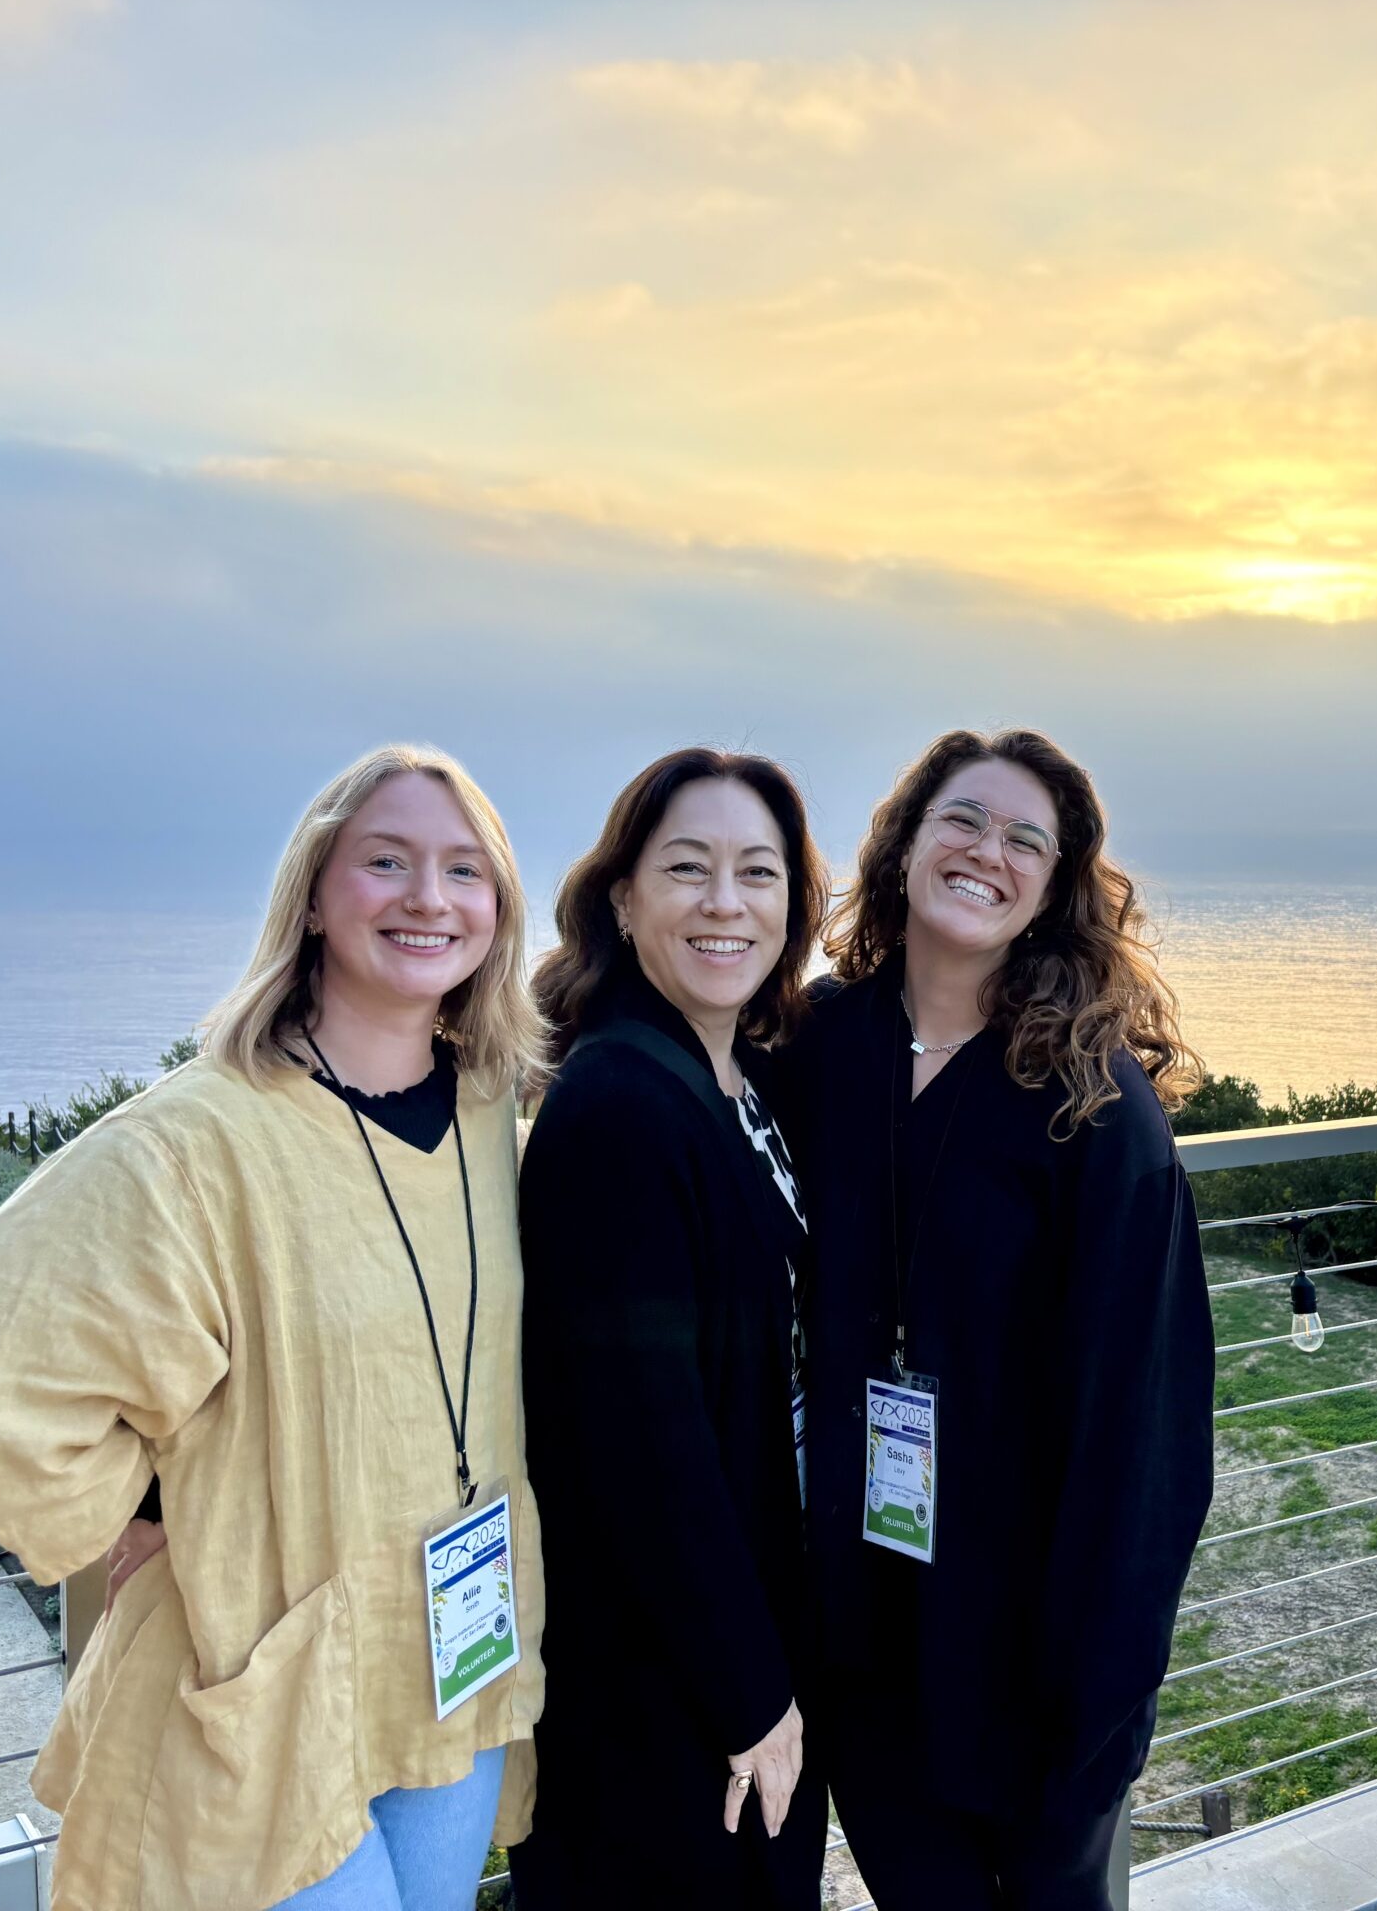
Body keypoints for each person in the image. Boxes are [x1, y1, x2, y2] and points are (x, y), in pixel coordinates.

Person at [0, 745, 548, 1911]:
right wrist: (136, 1505)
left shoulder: (496, 1112)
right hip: (264, 1687)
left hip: (449, 1657)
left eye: (463, 870)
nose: (429, 897)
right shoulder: (197, 1136)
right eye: (386, 860)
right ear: (317, 897)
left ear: (498, 909)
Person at [794, 728, 1215, 1910]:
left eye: (1026, 840)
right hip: (862, 1619)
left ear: (1054, 887)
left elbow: (1150, 1423)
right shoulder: (821, 1043)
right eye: (963, 822)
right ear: (906, 846)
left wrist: (1100, 1697)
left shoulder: (1095, 1104)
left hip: (1032, 1646)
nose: (989, 853)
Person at [514, 748, 830, 1910]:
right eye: (686, 869)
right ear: (622, 897)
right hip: (663, 1679)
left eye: (758, 873)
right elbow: (644, 1443)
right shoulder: (618, 1108)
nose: (724, 903)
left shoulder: (736, 1076)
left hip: (736, 1619)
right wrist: (750, 1690)